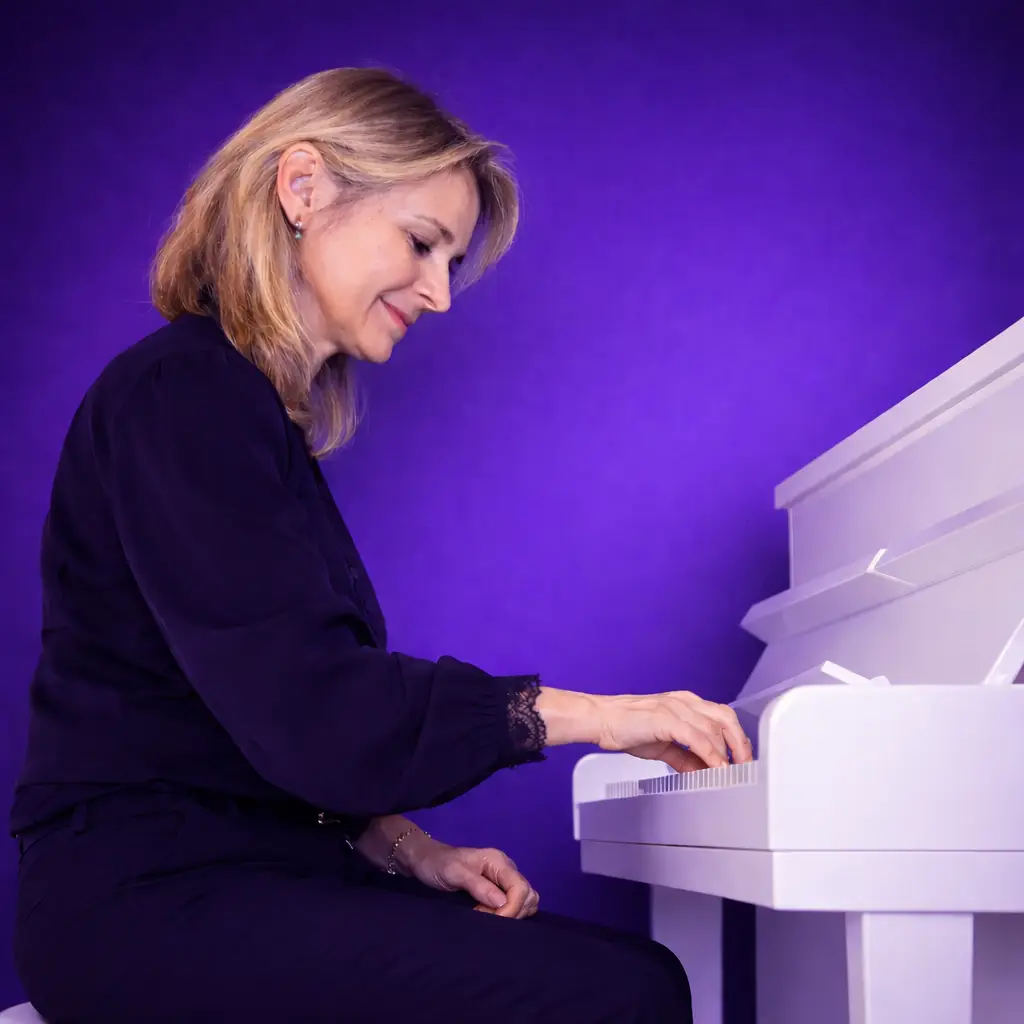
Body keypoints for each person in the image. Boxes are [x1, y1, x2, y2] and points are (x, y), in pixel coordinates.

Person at [10, 67, 752, 1023]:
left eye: (450, 262)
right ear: (303, 187)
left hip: (238, 868)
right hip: (142, 902)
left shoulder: (241, 411)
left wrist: (407, 848)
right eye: (421, 242)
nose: (439, 294)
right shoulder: (184, 396)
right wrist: (601, 717)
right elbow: (315, 709)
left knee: (634, 969)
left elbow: (246, 720)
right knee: (626, 992)